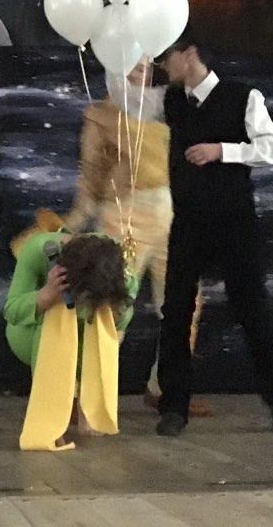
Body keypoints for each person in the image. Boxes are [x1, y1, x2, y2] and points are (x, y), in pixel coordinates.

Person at [154, 35, 273, 436]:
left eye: (167, 57)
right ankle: (173, 407)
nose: (164, 66)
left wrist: (223, 150)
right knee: (175, 311)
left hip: (233, 221)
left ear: (189, 54)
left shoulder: (241, 96)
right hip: (188, 221)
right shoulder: (172, 100)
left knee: (251, 307)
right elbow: (130, 100)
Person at [66, 57, 210, 417]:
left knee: (185, 305)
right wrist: (72, 223)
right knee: (109, 303)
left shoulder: (169, 107)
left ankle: (165, 389)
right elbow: (91, 174)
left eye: (146, 62)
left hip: (172, 215)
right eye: (132, 61)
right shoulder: (101, 114)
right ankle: (84, 394)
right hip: (123, 217)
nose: (141, 69)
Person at [5, 229, 137, 450]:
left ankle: (89, 409)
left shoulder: (118, 263)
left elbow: (124, 315)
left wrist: (116, 314)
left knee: (100, 330)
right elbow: (12, 312)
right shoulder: (37, 250)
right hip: (32, 331)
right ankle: (49, 420)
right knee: (53, 326)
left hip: (88, 330)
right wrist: (46, 295)